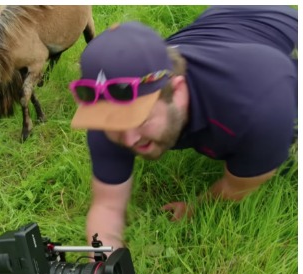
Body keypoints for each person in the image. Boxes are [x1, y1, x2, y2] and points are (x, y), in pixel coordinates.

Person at [69, 6, 297, 251]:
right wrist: (104, 269)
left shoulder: (256, 109)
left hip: (282, 25)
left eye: (139, 121)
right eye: (114, 124)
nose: (128, 139)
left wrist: (197, 206)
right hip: (218, 20)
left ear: (176, 90)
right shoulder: (110, 117)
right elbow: (107, 206)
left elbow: (238, 186)